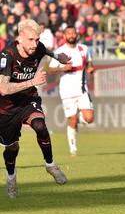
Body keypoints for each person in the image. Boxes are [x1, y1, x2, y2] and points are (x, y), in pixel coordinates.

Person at [0, 19, 71, 199]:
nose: (35, 44)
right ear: (20, 39)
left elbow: (44, 50)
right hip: (6, 107)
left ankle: (50, 165)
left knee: (40, 125)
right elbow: (3, 89)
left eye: (37, 39)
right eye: (31, 40)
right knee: (12, 148)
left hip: (28, 99)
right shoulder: (7, 55)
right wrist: (32, 81)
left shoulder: (37, 47)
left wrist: (58, 57)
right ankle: (11, 177)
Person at [49, 25, 94, 156]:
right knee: (72, 120)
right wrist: (62, 69)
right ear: (64, 36)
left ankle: (78, 118)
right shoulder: (60, 51)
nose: (71, 35)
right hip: (67, 91)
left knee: (89, 118)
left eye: (73, 33)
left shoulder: (84, 49)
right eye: (68, 33)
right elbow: (51, 70)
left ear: (77, 35)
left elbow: (89, 63)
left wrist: (90, 68)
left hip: (82, 89)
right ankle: (73, 147)